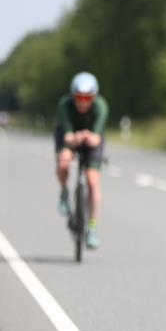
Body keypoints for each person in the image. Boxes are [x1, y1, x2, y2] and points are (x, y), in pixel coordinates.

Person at [55, 72, 109, 249]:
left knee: (93, 182)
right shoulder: (65, 105)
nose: (83, 101)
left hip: (91, 137)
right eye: (79, 97)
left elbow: (96, 138)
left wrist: (88, 137)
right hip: (70, 137)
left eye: (88, 97)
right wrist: (75, 138)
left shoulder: (101, 106)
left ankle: (91, 227)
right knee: (63, 161)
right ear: (73, 95)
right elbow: (68, 135)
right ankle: (64, 192)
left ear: (94, 97)